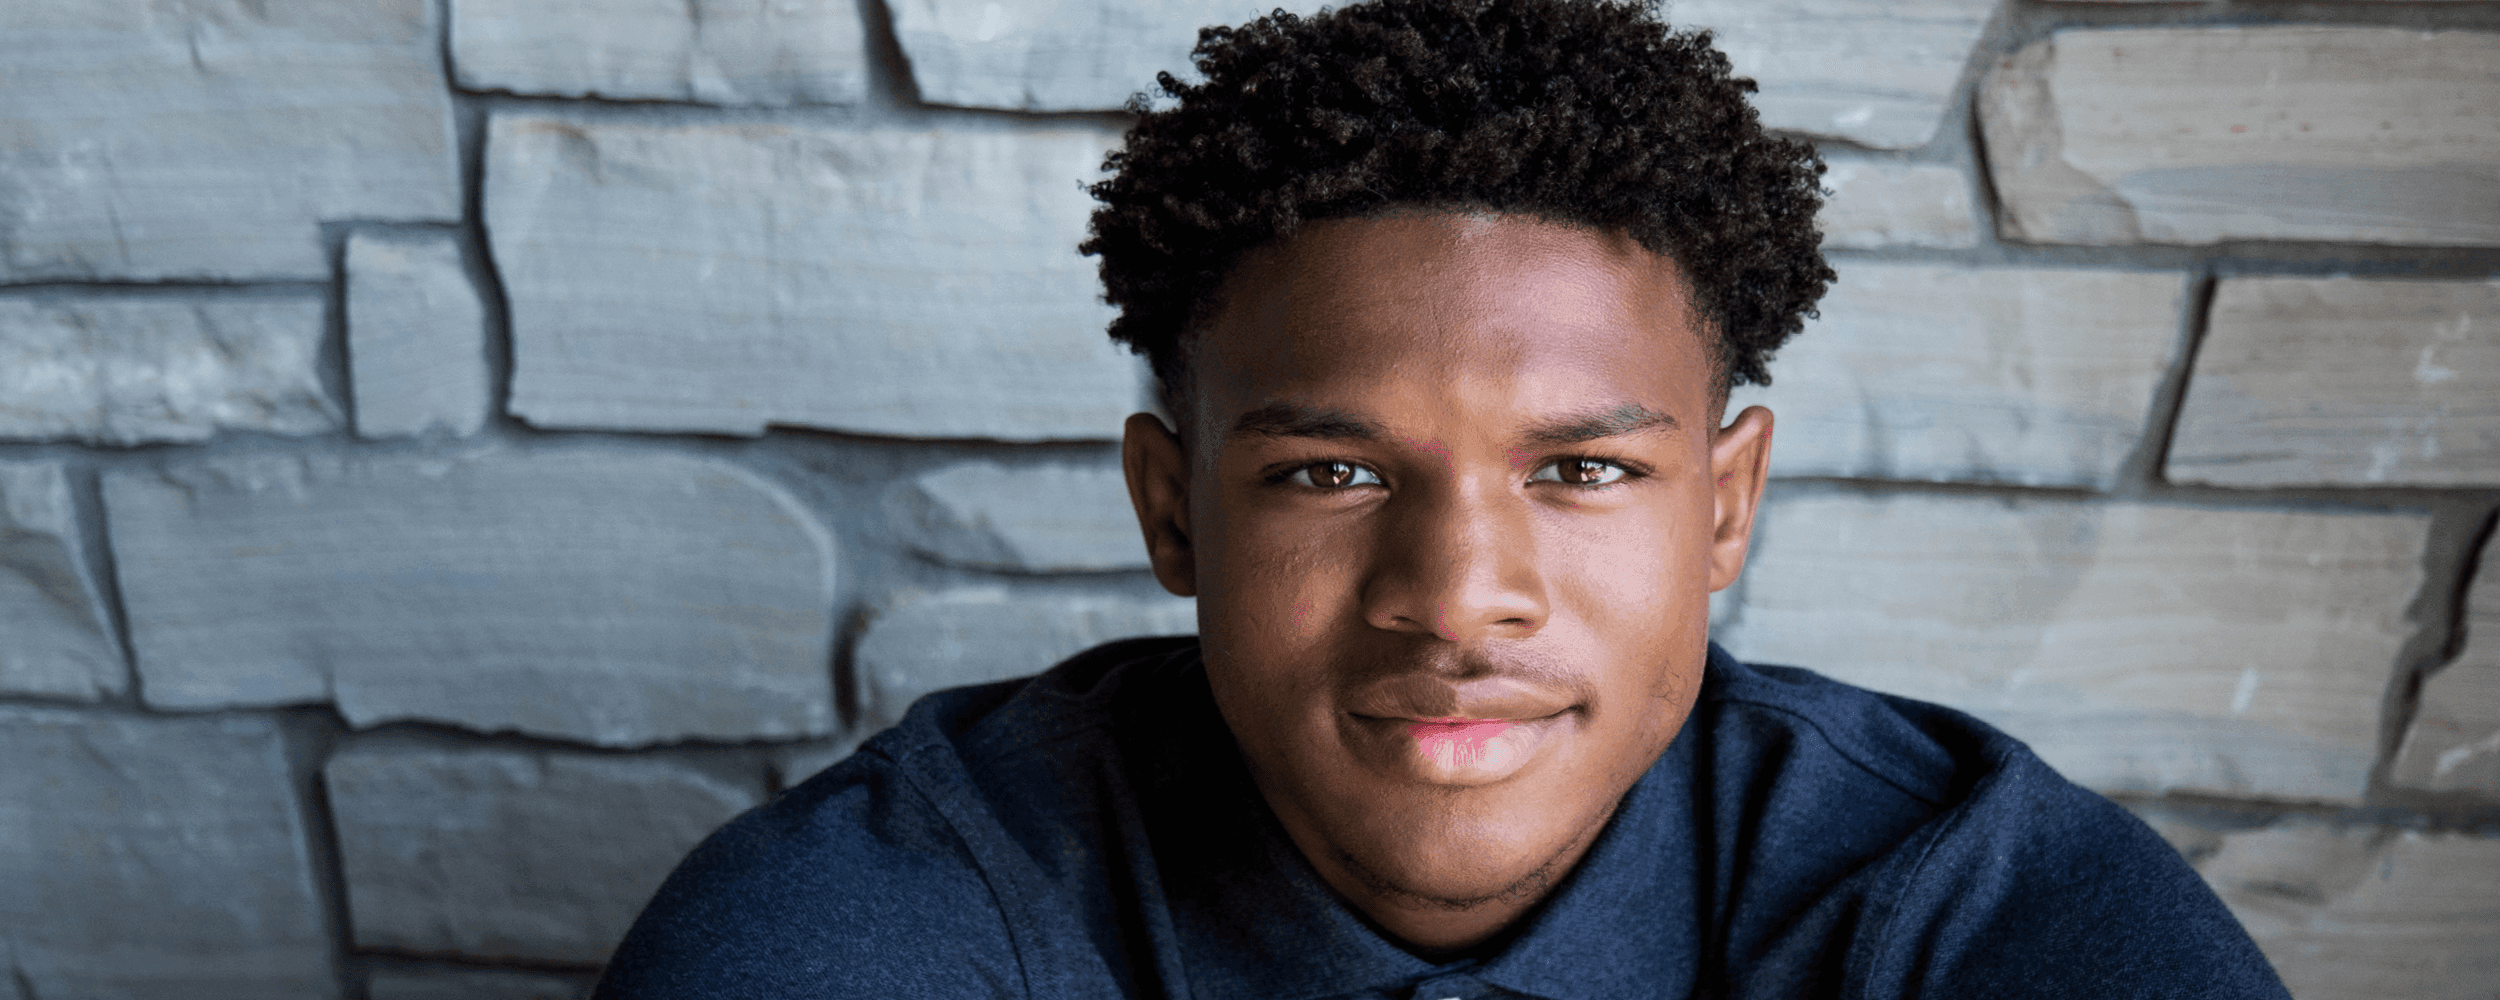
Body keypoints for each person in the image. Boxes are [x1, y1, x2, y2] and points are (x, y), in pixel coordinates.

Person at [595, 1, 2291, 996]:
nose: (1459, 591)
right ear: (1173, 513)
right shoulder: (884, 924)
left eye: (1583, 471)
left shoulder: (1966, 915)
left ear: (1724, 505)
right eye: (1331, 472)